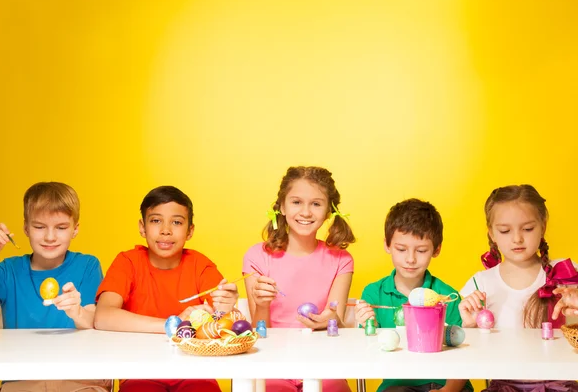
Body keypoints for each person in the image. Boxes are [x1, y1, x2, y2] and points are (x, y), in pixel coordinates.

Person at [95, 185, 238, 392]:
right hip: (139, 373)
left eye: (177, 222)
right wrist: (174, 324)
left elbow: (224, 323)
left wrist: (226, 308)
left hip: (196, 372)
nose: (165, 230)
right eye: (155, 220)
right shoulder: (128, 262)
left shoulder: (201, 266)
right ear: (142, 227)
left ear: (190, 231)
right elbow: (103, 316)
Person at [0, 182, 109, 392]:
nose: (49, 237)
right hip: (23, 380)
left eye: (61, 227)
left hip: (79, 380)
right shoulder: (7, 271)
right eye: (39, 227)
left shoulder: (88, 266)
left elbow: (94, 321)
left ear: (75, 229)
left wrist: (77, 312)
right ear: (26, 228)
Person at [243, 166, 355, 392]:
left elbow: (337, 321)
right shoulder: (257, 257)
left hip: (324, 364)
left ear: (329, 211)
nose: (306, 212)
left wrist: (329, 319)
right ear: (282, 207)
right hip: (272, 364)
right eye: (296, 202)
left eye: (316, 204)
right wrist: (262, 305)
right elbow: (258, 330)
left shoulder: (342, 260)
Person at [459, 185, 578, 392]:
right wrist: (470, 328)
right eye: (505, 231)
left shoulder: (566, 273)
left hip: (560, 386)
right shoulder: (481, 283)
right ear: (492, 234)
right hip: (504, 387)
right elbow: (467, 354)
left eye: (528, 229)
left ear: (543, 226)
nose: (517, 239)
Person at [355, 199, 470, 392]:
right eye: (401, 249)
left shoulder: (447, 297)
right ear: (387, 245)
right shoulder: (373, 294)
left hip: (449, 386)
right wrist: (368, 327)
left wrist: (448, 390)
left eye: (421, 250)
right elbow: (366, 354)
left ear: (437, 249)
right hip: (399, 387)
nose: (410, 259)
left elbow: (464, 355)